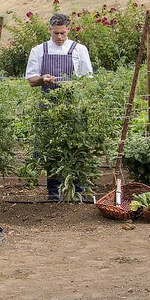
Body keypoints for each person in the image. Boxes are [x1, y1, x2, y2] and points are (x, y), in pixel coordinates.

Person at [25, 13, 93, 201]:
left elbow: (88, 80)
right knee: (51, 147)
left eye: (63, 33)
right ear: (50, 30)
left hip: (74, 105)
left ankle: (78, 191)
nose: (60, 37)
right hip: (49, 105)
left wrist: (74, 85)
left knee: (77, 145)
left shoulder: (79, 49)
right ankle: (54, 193)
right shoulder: (39, 50)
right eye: (56, 33)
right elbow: (31, 80)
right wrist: (43, 79)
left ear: (69, 29)